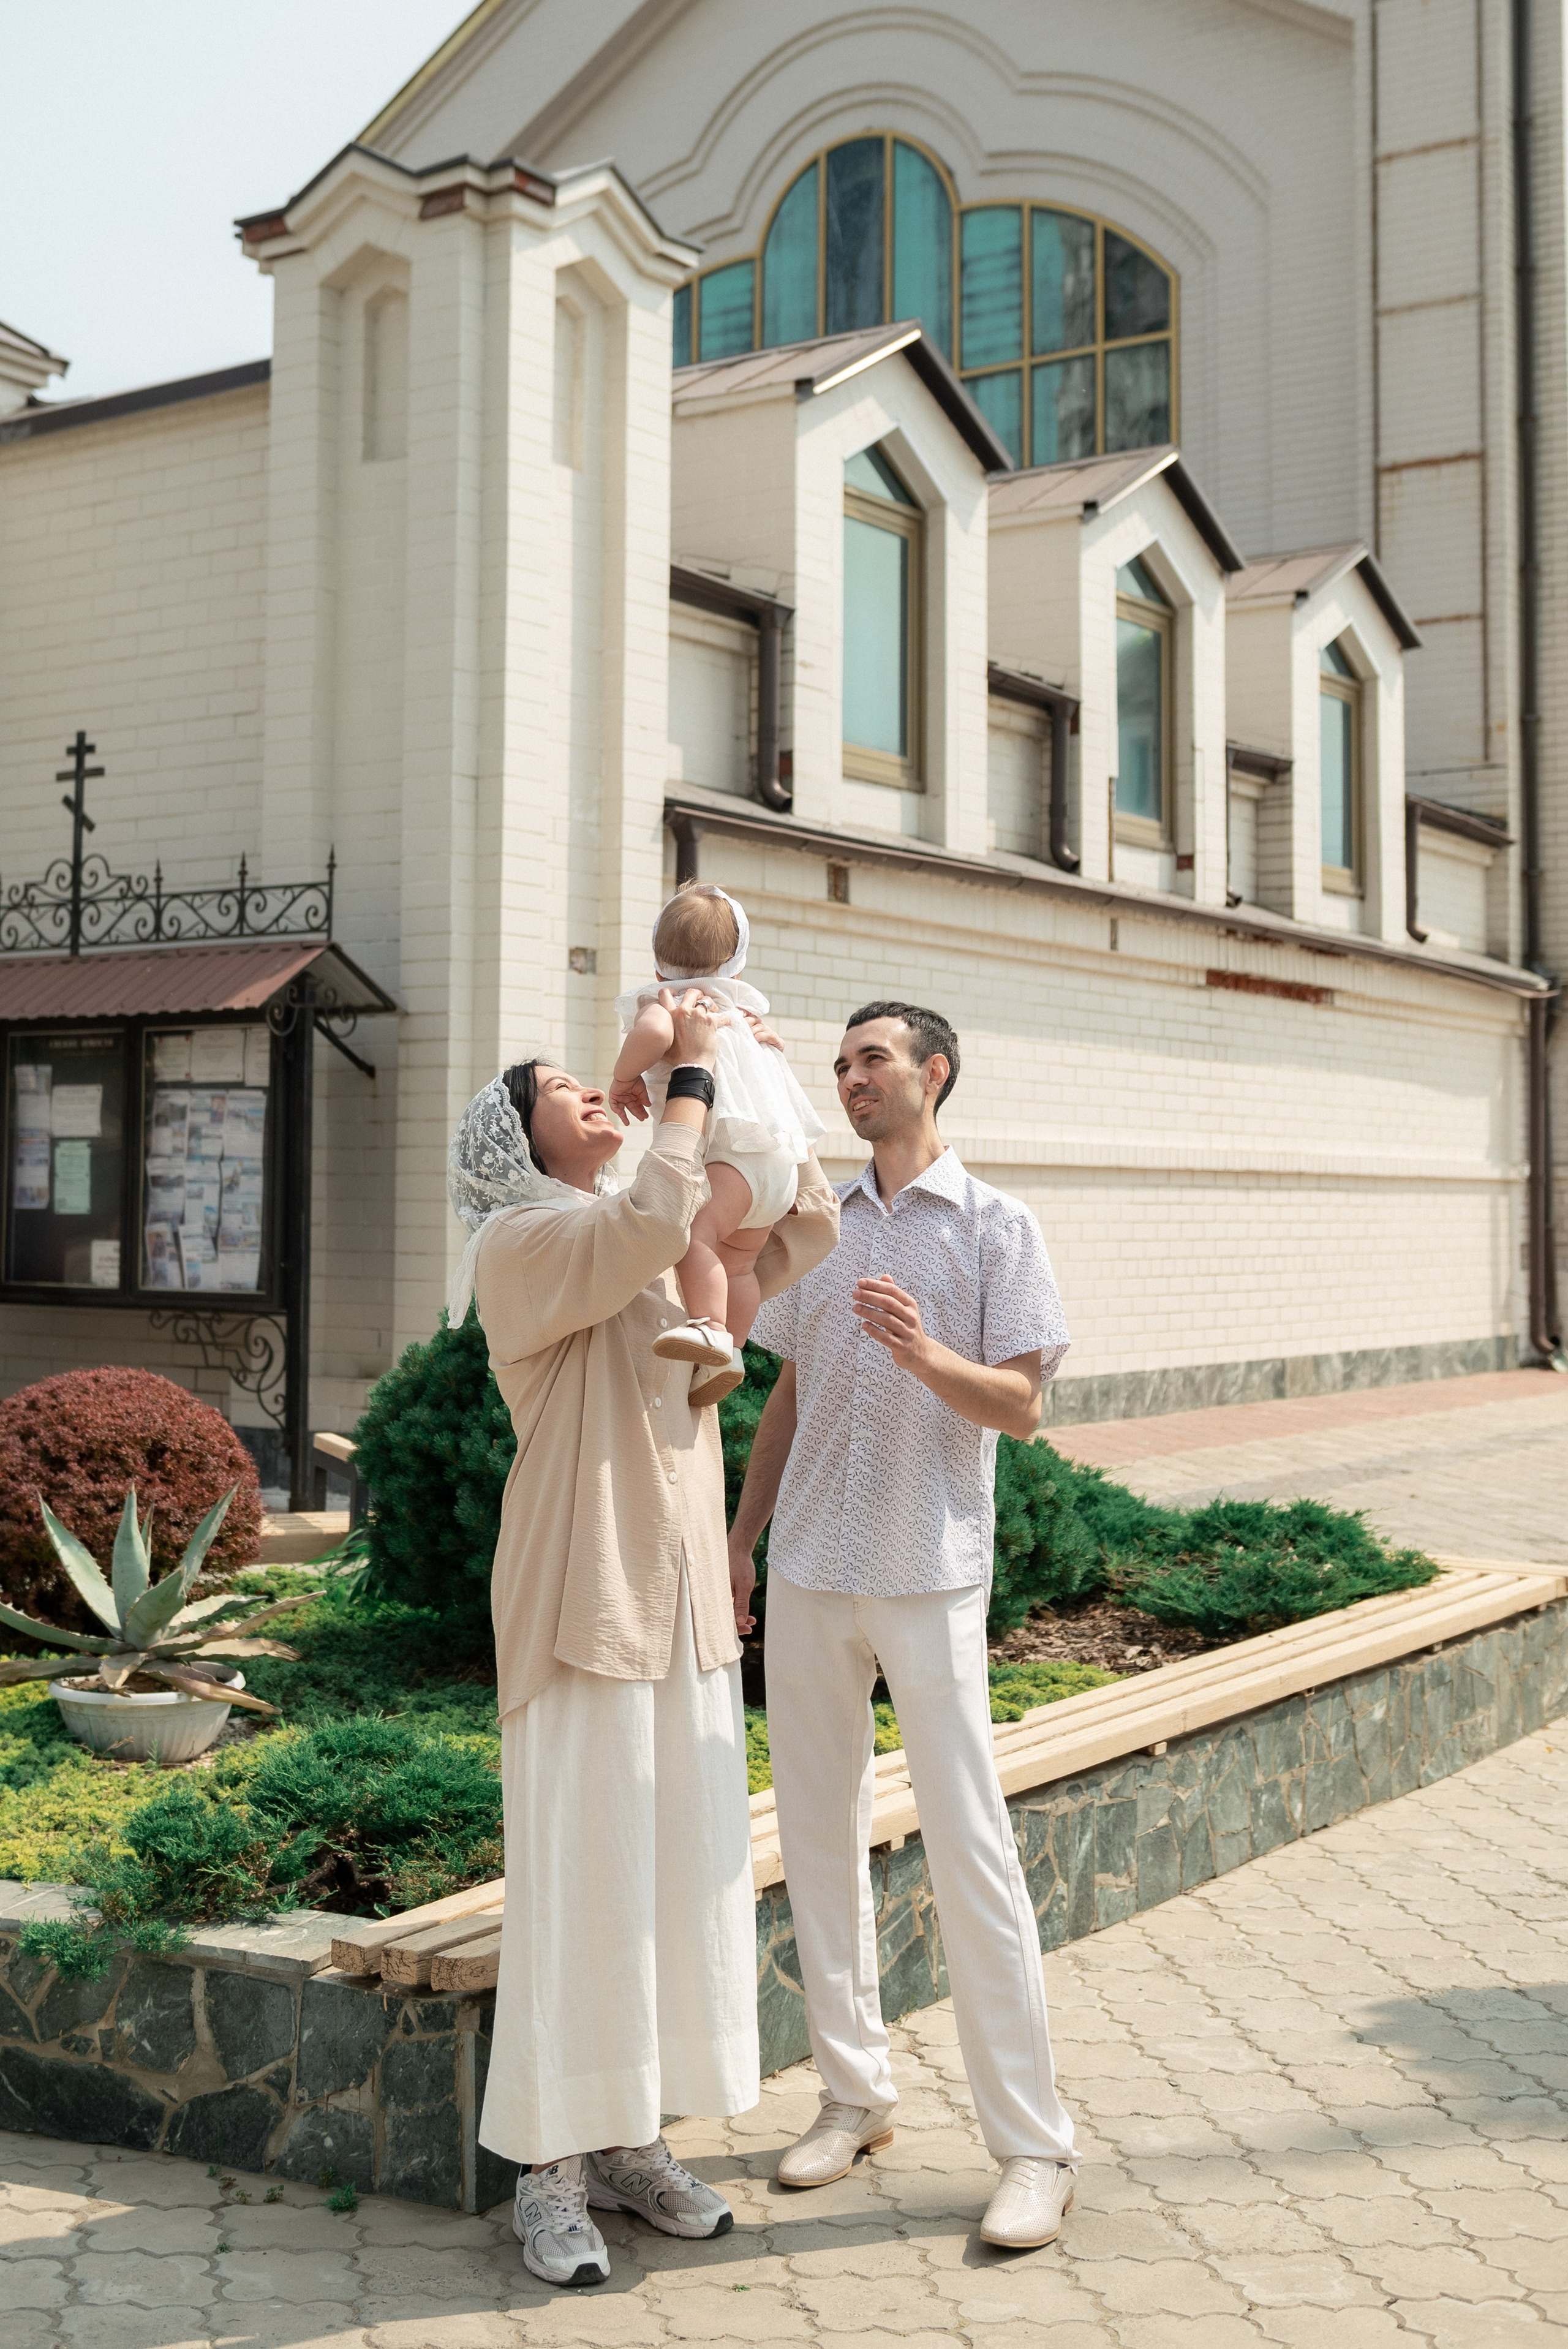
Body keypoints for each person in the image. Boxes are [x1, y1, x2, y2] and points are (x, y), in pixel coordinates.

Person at [446, 997, 839, 2288]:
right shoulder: (524, 1242)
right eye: (561, 1088)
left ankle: (629, 2140)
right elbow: (654, 1212)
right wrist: (680, 1077)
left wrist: (768, 1114)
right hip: (579, 1597)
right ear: (513, 1141)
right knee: (577, 1886)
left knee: (668, 1879)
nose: (590, 1092)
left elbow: (789, 1242)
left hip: (674, 1601)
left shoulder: (652, 1257)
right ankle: (544, 2172)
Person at [729, 1000, 1079, 2253]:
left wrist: (928, 1355)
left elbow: (1021, 1407)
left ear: (935, 1072)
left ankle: (1033, 2147)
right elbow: (782, 1394)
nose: (849, 1077)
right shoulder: (814, 1225)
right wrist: (737, 1542)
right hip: (813, 1569)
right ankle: (852, 2095)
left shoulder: (997, 1225)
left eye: (871, 1058)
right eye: (839, 1064)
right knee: (817, 1844)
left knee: (970, 1852)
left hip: (929, 1575)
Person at [610, 883, 825, 1408]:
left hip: (731, 1157)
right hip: (780, 1165)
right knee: (740, 1266)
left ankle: (709, 1327)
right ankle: (730, 1350)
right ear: (737, 967)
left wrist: (622, 1076)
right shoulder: (741, 1008)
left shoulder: (673, 1002)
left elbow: (656, 1033)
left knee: (696, 1235)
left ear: (658, 965)